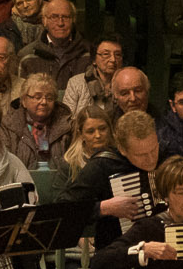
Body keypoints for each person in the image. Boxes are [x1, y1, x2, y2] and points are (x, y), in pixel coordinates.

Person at [57, 108, 162, 254]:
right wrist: (103, 208)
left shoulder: (166, 156)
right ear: (122, 149)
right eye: (141, 155)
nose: (151, 159)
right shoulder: (103, 165)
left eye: (154, 150)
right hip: (118, 252)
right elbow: (62, 210)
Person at [2, 68, 71, 169]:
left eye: (49, 98)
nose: (44, 102)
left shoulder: (68, 126)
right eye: (38, 97)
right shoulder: (8, 125)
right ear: (24, 101)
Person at [63, 34, 125, 114]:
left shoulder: (126, 84)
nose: (113, 59)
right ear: (94, 60)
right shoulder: (76, 83)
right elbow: (66, 117)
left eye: (118, 55)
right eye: (106, 54)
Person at [59, 100, 115, 183]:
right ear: (81, 134)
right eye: (90, 131)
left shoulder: (120, 156)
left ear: (109, 129)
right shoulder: (70, 164)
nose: (98, 135)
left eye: (102, 129)